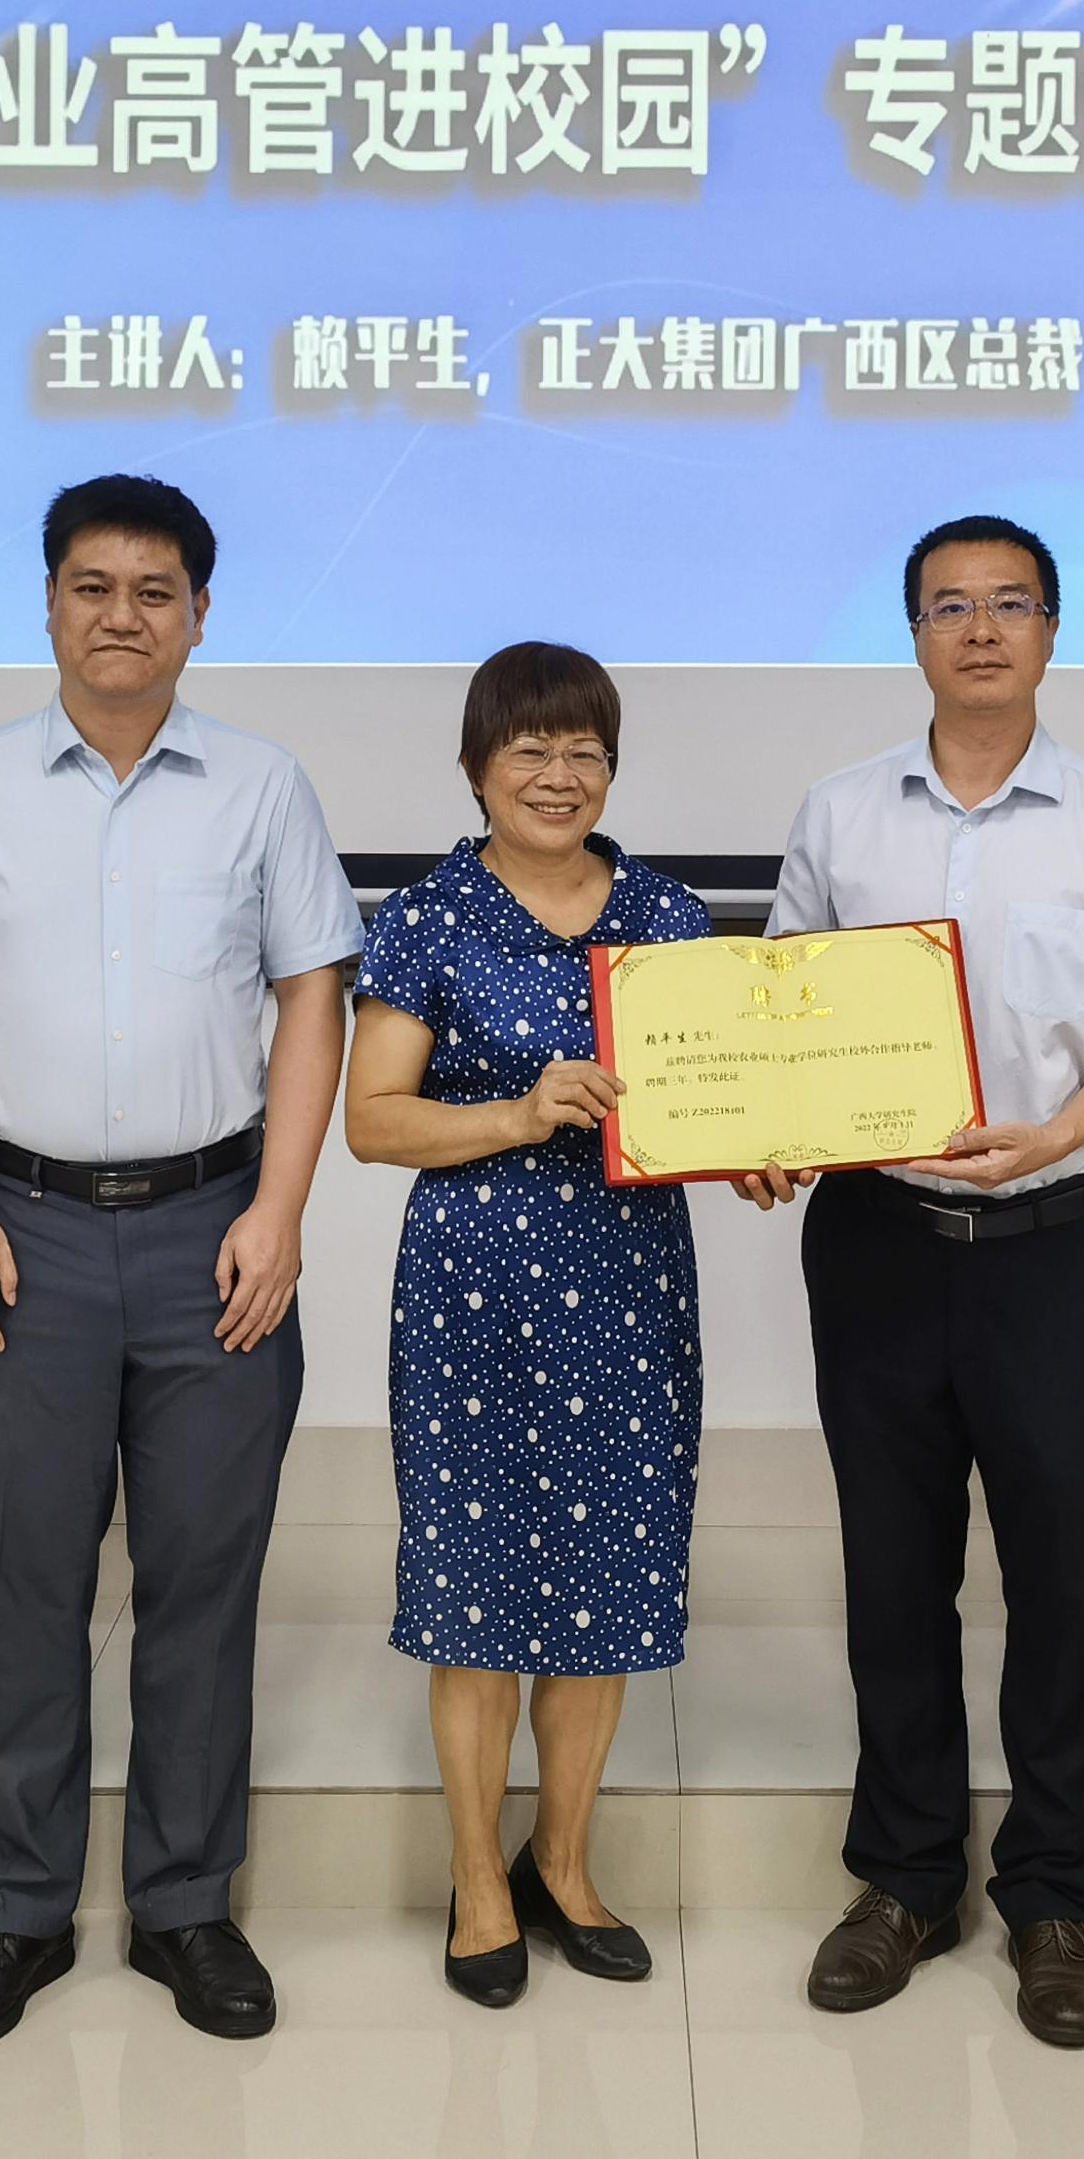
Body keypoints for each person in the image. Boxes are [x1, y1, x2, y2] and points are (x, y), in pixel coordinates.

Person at [0, 475, 362, 2054]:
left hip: (216, 1232)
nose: (122, 616)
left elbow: (312, 996)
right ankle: (14, 1915)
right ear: (48, 603)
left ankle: (184, 1905)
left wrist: (280, 1209)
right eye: (92, 586)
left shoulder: (263, 787)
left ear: (200, 615)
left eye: (156, 591)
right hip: (20, 1236)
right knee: (24, 1580)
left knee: (202, 1583)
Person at [742, 515, 1084, 2052]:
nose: (981, 629)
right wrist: (767, 1131)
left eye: (1010, 603)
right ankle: (904, 1881)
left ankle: (1053, 1896)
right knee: (894, 1576)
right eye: (949, 606)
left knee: (1059, 1583)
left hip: (1055, 1247)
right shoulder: (839, 814)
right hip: (875, 1243)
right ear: (914, 636)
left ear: (1052, 630)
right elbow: (778, 1023)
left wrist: (1055, 1135)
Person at [342, 643, 706, 2005]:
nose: (559, 776)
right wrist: (516, 1112)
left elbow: (711, 1096)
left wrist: (760, 1147)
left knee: (609, 1582)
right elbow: (373, 1122)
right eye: (529, 751)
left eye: (584, 753)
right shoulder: (428, 915)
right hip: (472, 1297)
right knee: (473, 1595)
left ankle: (561, 1862)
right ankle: (477, 1880)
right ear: (475, 766)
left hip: (628, 1292)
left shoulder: (667, 915)